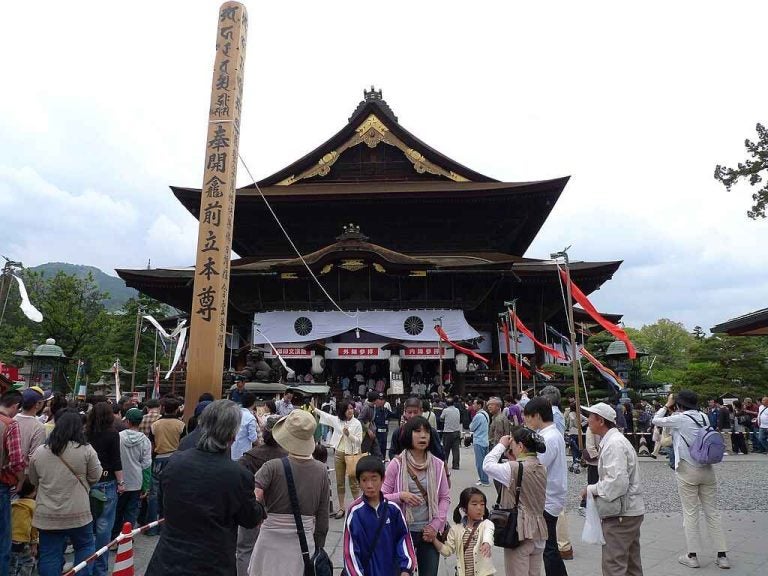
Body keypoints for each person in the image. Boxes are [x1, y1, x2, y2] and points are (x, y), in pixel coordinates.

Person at [146, 400, 265, 576]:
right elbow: (249, 519)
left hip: (168, 559)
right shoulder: (238, 475)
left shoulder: (175, 462)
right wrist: (257, 502)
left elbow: (166, 502)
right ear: (232, 434)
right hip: (212, 563)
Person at [652, 390, 730, 569]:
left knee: (690, 512)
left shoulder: (680, 419)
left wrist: (666, 404)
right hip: (707, 468)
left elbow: (655, 420)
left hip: (687, 468)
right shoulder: (704, 416)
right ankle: (722, 555)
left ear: (679, 404)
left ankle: (692, 555)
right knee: (713, 512)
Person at [249, 410, 330, 576]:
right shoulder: (322, 471)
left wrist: (258, 517)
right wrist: (318, 545)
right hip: (303, 544)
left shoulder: (272, 467)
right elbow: (323, 517)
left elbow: (253, 495)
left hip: (270, 539)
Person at [28, 410, 102, 576]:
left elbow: (33, 479)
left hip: (47, 513)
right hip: (79, 511)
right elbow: (96, 476)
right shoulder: (86, 450)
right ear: (79, 428)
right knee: (85, 547)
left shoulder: (40, 451)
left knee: (49, 553)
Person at [579, 402, 644, 576]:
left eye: (590, 417)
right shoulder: (615, 440)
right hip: (630, 509)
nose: (587, 421)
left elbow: (617, 482)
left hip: (621, 512)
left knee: (614, 564)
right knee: (631, 564)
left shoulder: (614, 444)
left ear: (600, 421)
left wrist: (591, 489)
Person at [383, 416, 450, 576]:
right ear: (408, 435)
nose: (423, 436)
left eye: (426, 431)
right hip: (402, 532)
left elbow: (445, 498)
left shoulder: (438, 465)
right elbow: (381, 497)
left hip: (429, 533)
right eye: (417, 431)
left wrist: (435, 526)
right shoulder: (396, 464)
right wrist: (401, 495)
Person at [483, 427, 548, 576]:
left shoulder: (513, 468)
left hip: (519, 532)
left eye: (513, 444)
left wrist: (501, 444)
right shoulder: (541, 468)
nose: (510, 447)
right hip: (538, 532)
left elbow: (487, 465)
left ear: (520, 446)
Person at [342, 455, 417, 576]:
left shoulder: (393, 509)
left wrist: (406, 569)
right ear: (359, 482)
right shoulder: (354, 512)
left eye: (374, 479)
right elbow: (349, 552)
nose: (369, 485)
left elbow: (404, 539)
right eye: (364, 480)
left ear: (383, 479)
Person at [235, 416, 286, 576]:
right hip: (279, 509)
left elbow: (240, 485)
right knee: (277, 550)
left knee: (245, 549)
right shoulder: (288, 458)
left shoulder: (248, 457)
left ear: (263, 433)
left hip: (251, 507)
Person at [523, 397, 567, 576]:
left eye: (528, 417)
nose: (527, 422)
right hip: (551, 496)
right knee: (548, 545)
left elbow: (537, 467)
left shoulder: (548, 438)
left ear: (537, 416)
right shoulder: (551, 435)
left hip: (548, 498)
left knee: (548, 548)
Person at [84, 401, 124, 576]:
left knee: (87, 525)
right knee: (104, 527)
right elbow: (116, 461)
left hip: (87, 482)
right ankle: (100, 569)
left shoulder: (85, 433)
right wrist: (121, 482)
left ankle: (85, 564)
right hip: (107, 481)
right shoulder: (112, 434)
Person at [314, 399, 363, 519]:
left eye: (351, 408)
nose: (350, 411)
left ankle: (359, 507)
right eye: (347, 409)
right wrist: (314, 409)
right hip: (338, 453)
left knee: (354, 482)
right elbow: (327, 416)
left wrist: (349, 435)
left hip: (351, 454)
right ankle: (342, 508)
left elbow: (359, 441)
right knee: (340, 482)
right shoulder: (338, 421)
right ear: (343, 411)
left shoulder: (357, 423)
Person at [433, 487, 495, 576]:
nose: (479, 508)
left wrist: (486, 543)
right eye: (474, 504)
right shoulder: (456, 530)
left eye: (482, 504)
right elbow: (447, 551)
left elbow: (488, 533)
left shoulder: (486, 524)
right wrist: (434, 539)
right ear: (464, 508)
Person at [146, 396, 185, 535]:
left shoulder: (155, 425)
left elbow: (152, 445)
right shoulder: (181, 425)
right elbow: (183, 445)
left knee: (154, 493)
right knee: (171, 492)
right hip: (175, 458)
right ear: (176, 409)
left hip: (158, 458)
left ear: (163, 408)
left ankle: (151, 527)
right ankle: (166, 526)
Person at [113, 408, 151, 539]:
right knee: (131, 511)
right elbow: (146, 465)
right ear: (140, 422)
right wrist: (146, 485)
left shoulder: (118, 436)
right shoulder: (145, 440)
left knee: (117, 510)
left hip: (120, 480)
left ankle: (114, 538)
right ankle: (127, 538)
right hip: (136, 481)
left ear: (127, 421)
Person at [1, 390, 25, 574]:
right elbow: (17, 460)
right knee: (2, 539)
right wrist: (20, 480)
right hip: (1, 484)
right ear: (15, 406)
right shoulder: (10, 425)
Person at [14, 389, 46, 476]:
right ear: (37, 404)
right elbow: (35, 458)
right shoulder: (39, 427)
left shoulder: (11, 419)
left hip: (6, 473)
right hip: (24, 477)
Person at [10, 480, 37, 576]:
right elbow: (34, 527)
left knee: (12, 563)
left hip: (10, 538)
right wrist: (34, 543)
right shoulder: (33, 505)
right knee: (28, 561)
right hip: (22, 539)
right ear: (34, 491)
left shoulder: (13, 503)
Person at [231, 393, 258, 461]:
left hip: (232, 450)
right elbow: (253, 438)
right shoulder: (251, 418)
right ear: (254, 403)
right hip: (244, 452)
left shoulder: (235, 414)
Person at [470, 399, 491, 487]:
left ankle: (484, 480)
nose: (473, 405)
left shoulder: (478, 416)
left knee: (479, 462)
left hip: (479, 440)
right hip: (485, 440)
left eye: (474, 404)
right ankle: (484, 477)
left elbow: (471, 427)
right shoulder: (485, 414)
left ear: (479, 405)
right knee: (484, 461)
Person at [440, 397, 462, 470]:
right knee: (456, 450)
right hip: (456, 431)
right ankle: (456, 465)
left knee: (446, 449)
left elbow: (441, 418)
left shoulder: (445, 410)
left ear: (446, 404)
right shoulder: (457, 410)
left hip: (448, 432)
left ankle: (444, 464)